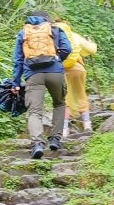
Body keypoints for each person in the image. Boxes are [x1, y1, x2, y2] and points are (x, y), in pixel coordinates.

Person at [11, 11, 72, 159]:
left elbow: (18, 60)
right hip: (55, 72)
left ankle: (37, 144)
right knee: (59, 103)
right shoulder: (55, 29)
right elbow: (67, 49)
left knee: (34, 111)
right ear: (46, 19)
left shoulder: (23, 33)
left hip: (33, 74)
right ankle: (55, 140)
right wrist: (57, 58)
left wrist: (16, 82)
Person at [55, 20, 98, 133]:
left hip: (59, 71)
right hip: (77, 69)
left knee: (63, 99)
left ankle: (64, 130)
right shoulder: (73, 36)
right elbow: (91, 50)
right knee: (81, 95)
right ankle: (87, 125)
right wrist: (91, 43)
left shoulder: (51, 36)